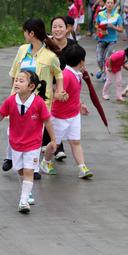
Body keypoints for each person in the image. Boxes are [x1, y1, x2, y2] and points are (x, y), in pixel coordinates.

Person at [0, 71, 57, 213]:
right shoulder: (10, 100)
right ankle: (26, 192)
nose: (16, 83)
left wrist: (53, 140)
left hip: (33, 143)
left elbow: (47, 121)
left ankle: (23, 200)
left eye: (21, 81)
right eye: (16, 80)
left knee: (28, 170)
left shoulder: (38, 102)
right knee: (20, 170)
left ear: (31, 86)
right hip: (16, 143)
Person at [1, 18, 67, 179]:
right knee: (12, 130)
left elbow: (58, 74)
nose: (24, 34)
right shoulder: (23, 50)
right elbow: (14, 72)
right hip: (18, 99)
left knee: (36, 135)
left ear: (31, 33)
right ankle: (10, 157)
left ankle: (34, 168)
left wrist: (60, 90)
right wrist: (13, 91)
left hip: (40, 101)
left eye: (25, 31)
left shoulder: (50, 56)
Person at [39, 45, 93, 179]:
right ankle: (45, 163)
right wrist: (59, 96)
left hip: (74, 114)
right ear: (82, 61)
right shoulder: (66, 75)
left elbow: (74, 93)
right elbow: (56, 93)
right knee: (55, 143)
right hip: (60, 116)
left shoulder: (76, 73)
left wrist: (80, 105)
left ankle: (82, 168)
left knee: (75, 141)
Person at [95, 0, 124, 82]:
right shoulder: (100, 14)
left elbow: (121, 30)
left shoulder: (117, 16)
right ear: (105, 4)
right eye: (108, 3)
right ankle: (101, 70)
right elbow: (96, 25)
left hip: (112, 40)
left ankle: (106, 75)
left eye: (111, 3)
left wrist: (113, 27)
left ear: (114, 4)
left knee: (107, 58)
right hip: (101, 39)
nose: (110, 5)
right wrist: (101, 29)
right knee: (99, 58)